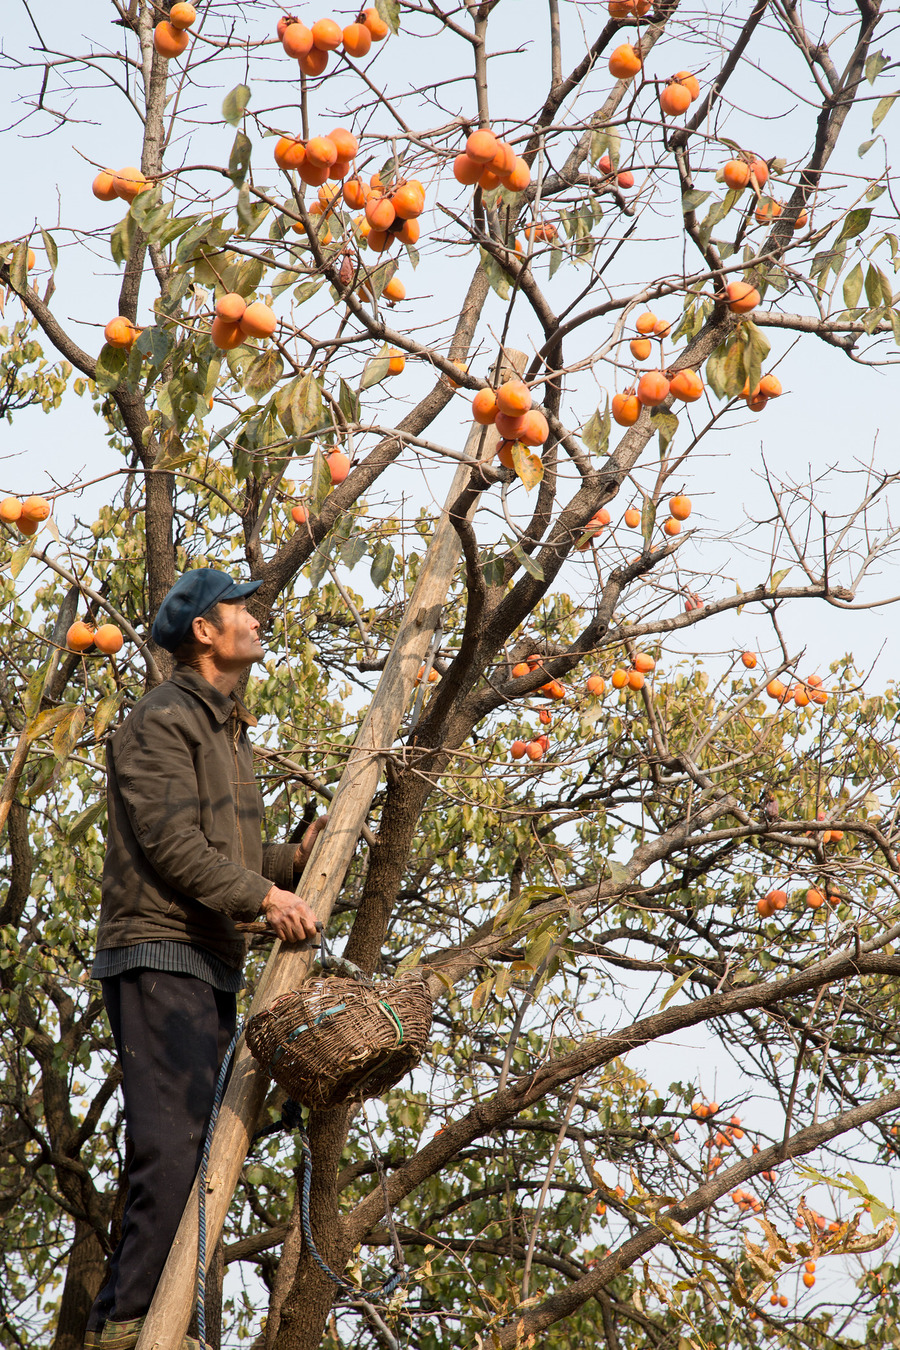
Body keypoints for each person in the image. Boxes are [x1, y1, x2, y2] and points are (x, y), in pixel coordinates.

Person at [85, 568, 323, 1350]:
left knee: (203, 1151)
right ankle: (126, 1324)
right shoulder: (162, 720)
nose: (255, 618)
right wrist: (264, 899)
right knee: (172, 1141)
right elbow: (172, 844)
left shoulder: (225, 729)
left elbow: (230, 848)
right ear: (205, 632)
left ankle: (163, 1321)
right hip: (160, 951)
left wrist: (290, 862)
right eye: (240, 609)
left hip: (205, 958)